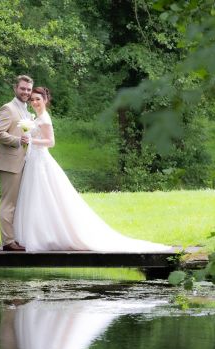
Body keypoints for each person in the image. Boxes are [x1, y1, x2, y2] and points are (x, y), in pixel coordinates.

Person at [13, 86, 174, 253]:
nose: (34, 102)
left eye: (38, 99)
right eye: (32, 100)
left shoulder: (44, 119)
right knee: (36, 196)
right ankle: (38, 234)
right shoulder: (36, 117)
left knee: (44, 196)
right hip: (34, 161)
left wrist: (31, 140)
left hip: (41, 161)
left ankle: (46, 236)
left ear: (45, 100)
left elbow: (51, 142)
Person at [0, 75, 34, 252]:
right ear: (15, 89)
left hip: (24, 161)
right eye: (23, 88)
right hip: (10, 163)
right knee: (8, 203)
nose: (26, 92)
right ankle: (8, 242)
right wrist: (18, 140)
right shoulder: (8, 108)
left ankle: (14, 238)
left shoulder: (26, 110)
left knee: (18, 203)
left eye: (28, 89)